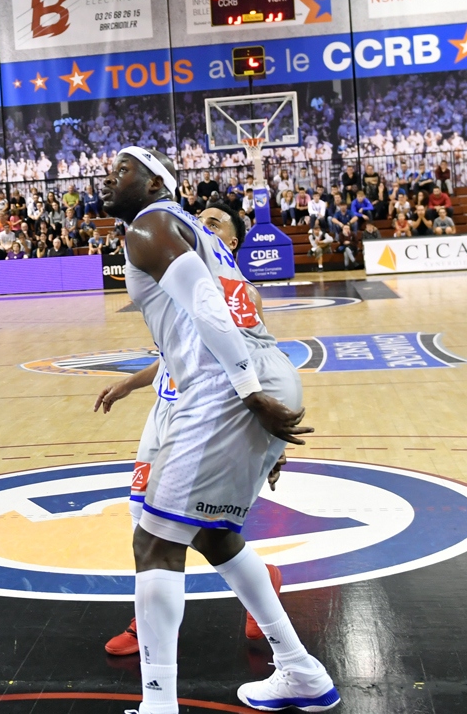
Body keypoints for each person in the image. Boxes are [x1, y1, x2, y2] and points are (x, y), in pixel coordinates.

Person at [100, 147, 336, 712]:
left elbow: (207, 306)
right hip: (255, 368)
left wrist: (247, 393)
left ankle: (159, 705)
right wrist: (258, 395)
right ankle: (300, 670)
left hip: (220, 386)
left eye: (125, 169)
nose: (112, 176)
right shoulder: (194, 234)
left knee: (154, 541)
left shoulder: (151, 225)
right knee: (211, 534)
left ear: (159, 181)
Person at [93, 201, 283, 656]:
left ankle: (257, 593)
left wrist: (272, 442)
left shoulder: (240, 294)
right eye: (199, 220)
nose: (201, 225)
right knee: (143, 521)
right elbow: (173, 354)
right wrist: (131, 383)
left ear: (230, 242)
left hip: (207, 416)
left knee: (196, 531)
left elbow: (253, 361)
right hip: (164, 411)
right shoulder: (178, 272)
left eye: (213, 223)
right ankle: (149, 623)